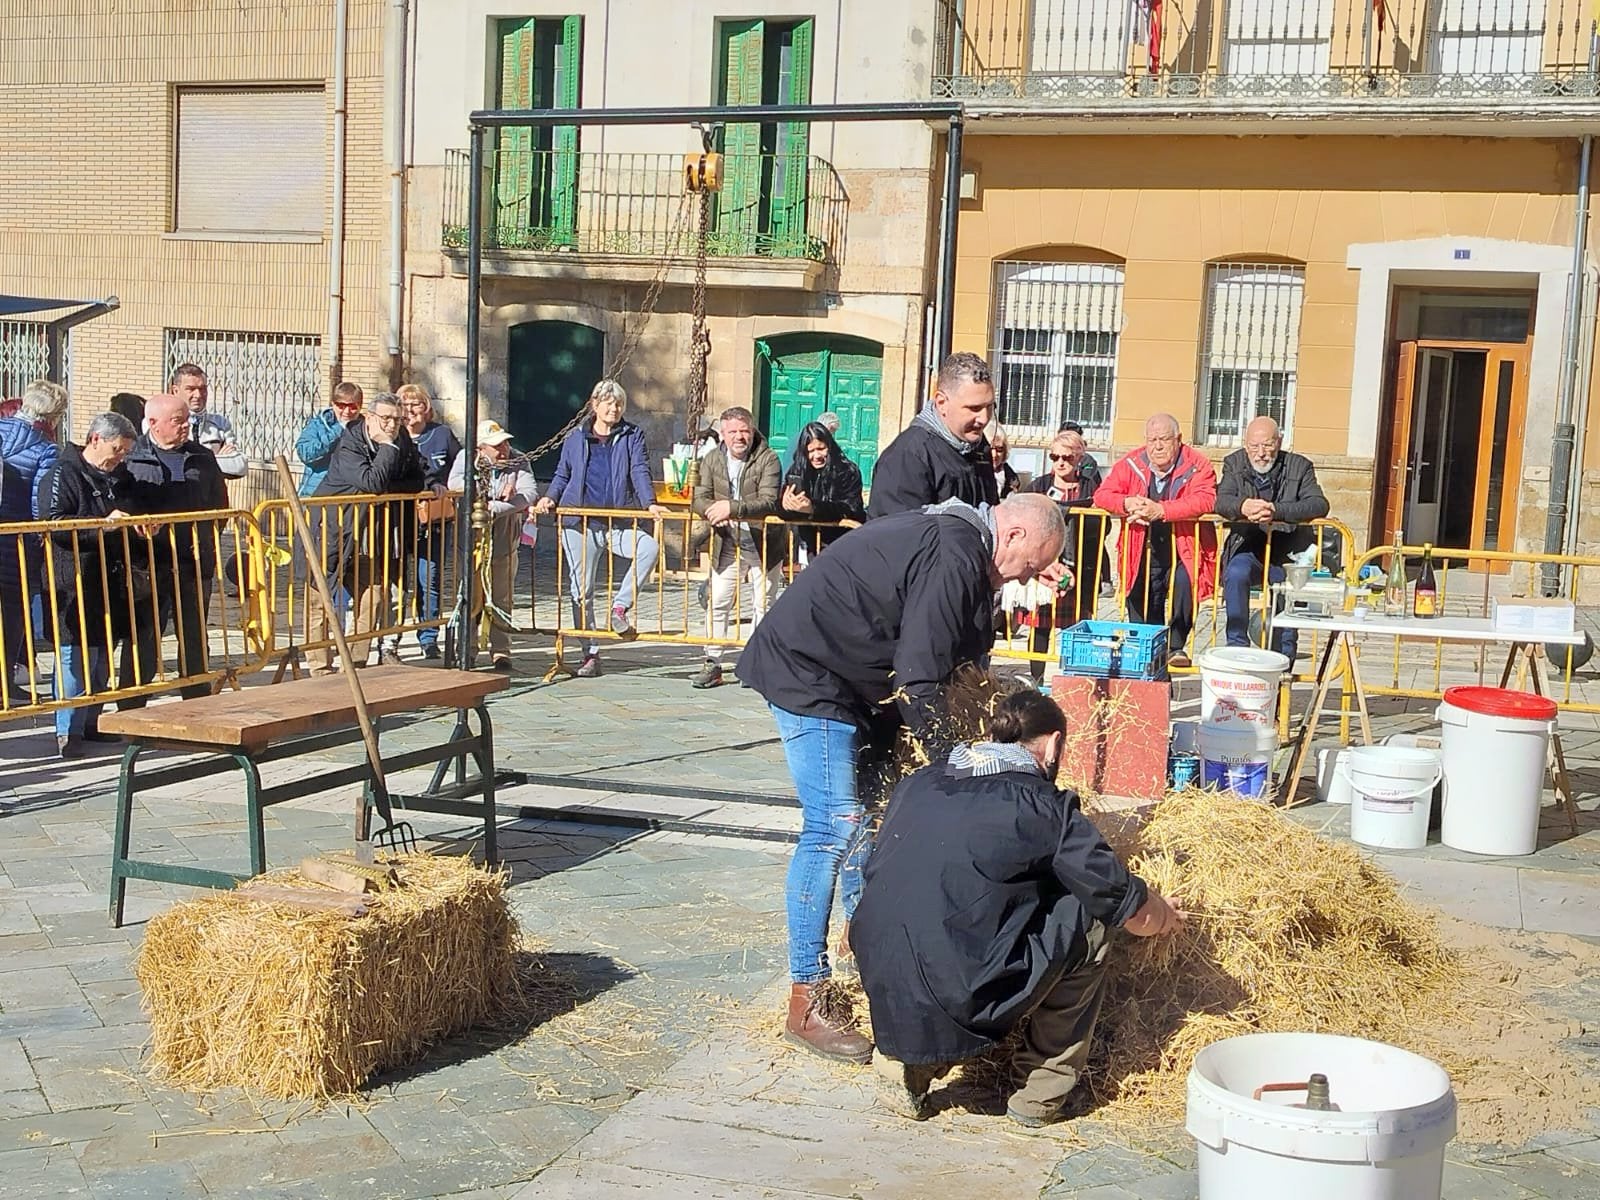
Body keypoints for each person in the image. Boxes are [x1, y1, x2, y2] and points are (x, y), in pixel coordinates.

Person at [737, 493, 1068, 1064]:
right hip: (810, 674)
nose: (1027, 579)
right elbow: (919, 677)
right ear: (1010, 536)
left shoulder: (965, 551)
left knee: (874, 823)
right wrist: (953, 767)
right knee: (834, 827)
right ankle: (806, 997)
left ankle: (873, 963)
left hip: (855, 688)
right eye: (1032, 565)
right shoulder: (954, 550)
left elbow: (950, 660)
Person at [854, 689, 1184, 1126]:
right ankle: (1039, 1094)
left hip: (880, 976)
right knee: (1091, 921)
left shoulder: (919, 783)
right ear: (1053, 745)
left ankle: (904, 1061)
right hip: (960, 990)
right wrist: (1167, 914)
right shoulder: (1045, 806)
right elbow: (1128, 908)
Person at [534, 379, 667, 679]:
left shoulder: (632, 435)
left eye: (619, 404)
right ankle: (590, 652)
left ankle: (620, 608)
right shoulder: (576, 437)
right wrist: (549, 498)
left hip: (617, 520)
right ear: (595, 405)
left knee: (649, 548)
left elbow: (639, 470)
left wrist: (650, 504)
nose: (614, 408)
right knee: (581, 591)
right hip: (579, 522)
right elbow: (562, 474)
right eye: (608, 403)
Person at [36, 412, 137, 757]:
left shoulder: (118, 476)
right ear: (96, 439)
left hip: (109, 578)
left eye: (124, 451)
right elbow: (52, 523)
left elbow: (129, 508)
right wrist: (102, 525)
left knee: (102, 658)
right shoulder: (63, 473)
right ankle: (68, 731)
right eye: (117, 448)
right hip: (71, 578)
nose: (120, 456)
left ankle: (92, 722)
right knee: (73, 659)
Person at [120, 392, 230, 702]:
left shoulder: (201, 457)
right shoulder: (132, 456)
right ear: (153, 423)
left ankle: (195, 698)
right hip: (147, 562)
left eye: (187, 421)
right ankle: (131, 703)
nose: (185, 427)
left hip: (192, 561)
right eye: (178, 421)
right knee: (143, 635)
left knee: (193, 634)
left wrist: (204, 538)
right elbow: (123, 504)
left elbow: (219, 505)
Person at [1093, 414, 1217, 669]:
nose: (1157, 446)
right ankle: (1147, 654)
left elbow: (1206, 500)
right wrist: (1125, 503)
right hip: (1142, 544)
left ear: (1178, 440)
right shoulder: (1132, 462)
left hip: (1185, 545)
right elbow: (1102, 494)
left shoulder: (1198, 464)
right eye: (1152, 440)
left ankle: (1176, 645)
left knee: (1185, 584)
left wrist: (1161, 510)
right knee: (1140, 594)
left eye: (1164, 439)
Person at [314, 392, 426, 667]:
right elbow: (371, 482)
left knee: (374, 594)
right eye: (386, 419)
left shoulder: (401, 440)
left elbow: (416, 480)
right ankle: (320, 667)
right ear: (370, 417)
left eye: (397, 420)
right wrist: (387, 447)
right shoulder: (351, 443)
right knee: (319, 601)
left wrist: (388, 482)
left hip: (367, 535)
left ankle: (356, 662)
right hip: (332, 528)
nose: (392, 426)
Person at [1215, 416, 1329, 662]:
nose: (1261, 453)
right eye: (1254, 447)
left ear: (1279, 442)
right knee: (1235, 574)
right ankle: (1236, 650)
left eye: (1267, 445)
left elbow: (1319, 504)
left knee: (1285, 600)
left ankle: (1283, 662)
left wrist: (1276, 511)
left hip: (1288, 550)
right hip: (1247, 545)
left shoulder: (1300, 466)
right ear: (1246, 445)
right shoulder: (1233, 463)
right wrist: (1243, 506)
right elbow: (1221, 501)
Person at [690, 406, 782, 690]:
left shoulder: (769, 459)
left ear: (752, 431)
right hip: (726, 540)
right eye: (733, 432)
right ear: (722, 434)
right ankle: (712, 662)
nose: (739, 437)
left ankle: (753, 663)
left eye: (744, 431)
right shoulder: (711, 459)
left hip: (763, 541)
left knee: (762, 603)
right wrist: (712, 510)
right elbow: (698, 498)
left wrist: (732, 508)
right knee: (718, 601)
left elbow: (769, 500)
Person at [865, 352, 998, 519]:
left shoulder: (978, 447)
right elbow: (897, 535)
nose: (984, 419)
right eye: (974, 408)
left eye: (990, 407)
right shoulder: (908, 456)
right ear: (941, 403)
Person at [449, 420, 536, 672]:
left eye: (506, 443)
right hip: (470, 542)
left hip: (504, 540)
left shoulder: (519, 460)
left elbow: (528, 493)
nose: (504, 449)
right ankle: (466, 649)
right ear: (481, 448)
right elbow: (455, 483)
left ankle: (501, 651)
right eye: (497, 446)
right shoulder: (467, 458)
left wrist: (496, 508)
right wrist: (486, 492)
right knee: (470, 596)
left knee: (501, 596)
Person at [1017, 429, 1100, 683]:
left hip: (1080, 565)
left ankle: (1073, 680)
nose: (1060, 463)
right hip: (1044, 565)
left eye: (1067, 457)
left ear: (1079, 459)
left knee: (1077, 626)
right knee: (1039, 625)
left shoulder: (1091, 487)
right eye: (1054, 457)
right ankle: (1036, 679)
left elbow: (1100, 527)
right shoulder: (1039, 485)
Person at [0, 381, 65, 696]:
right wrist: (43, 533)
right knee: (13, 609)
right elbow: (42, 500)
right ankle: (4, 682)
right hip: (17, 539)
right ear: (54, 416)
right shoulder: (47, 448)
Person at [398, 384, 461, 661]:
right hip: (399, 517)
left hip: (434, 518)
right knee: (396, 581)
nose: (411, 411)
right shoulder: (395, 436)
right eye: (405, 405)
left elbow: (460, 466)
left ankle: (428, 637)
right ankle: (391, 639)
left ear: (426, 409)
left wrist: (447, 486)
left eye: (416, 405)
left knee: (430, 577)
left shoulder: (442, 435)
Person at [778, 419, 865, 560]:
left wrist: (813, 508)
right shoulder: (798, 470)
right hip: (813, 546)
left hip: (844, 544)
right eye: (810, 451)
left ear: (829, 446)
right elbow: (782, 508)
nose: (816, 456)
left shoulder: (847, 470)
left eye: (821, 449)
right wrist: (785, 505)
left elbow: (850, 508)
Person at [168, 364, 246, 479]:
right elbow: (169, 462)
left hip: (212, 495)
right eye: (190, 389)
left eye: (202, 389)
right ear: (175, 390)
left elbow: (240, 466)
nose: (198, 395)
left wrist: (193, 461)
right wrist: (216, 458)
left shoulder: (220, 423)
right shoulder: (162, 421)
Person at [296, 381, 364, 496]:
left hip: (348, 499)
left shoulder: (365, 429)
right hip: (315, 494)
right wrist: (339, 429)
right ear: (333, 404)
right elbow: (305, 453)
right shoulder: (318, 424)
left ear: (360, 406)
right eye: (341, 406)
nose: (347, 412)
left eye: (352, 407)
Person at [989, 426, 1020, 500]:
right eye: (990, 449)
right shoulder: (972, 473)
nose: (994, 455)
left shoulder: (1011, 477)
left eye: (999, 449)